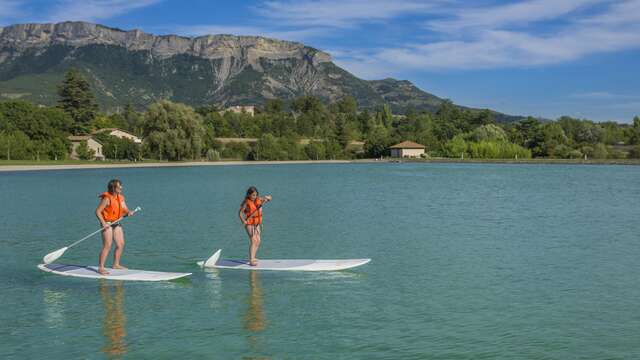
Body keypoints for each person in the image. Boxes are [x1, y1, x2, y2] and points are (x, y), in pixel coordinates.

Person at [95, 179, 135, 275]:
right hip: (107, 223)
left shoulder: (120, 197)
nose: (121, 187)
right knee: (107, 245)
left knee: (120, 244)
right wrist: (104, 223)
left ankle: (116, 264)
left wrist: (128, 212)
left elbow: (124, 208)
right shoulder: (107, 198)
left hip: (116, 223)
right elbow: (97, 211)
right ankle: (101, 267)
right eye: (119, 186)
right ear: (113, 188)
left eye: (121, 185)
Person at [238, 186, 272, 266]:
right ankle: (251, 260)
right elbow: (240, 213)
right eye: (253, 195)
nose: (254, 196)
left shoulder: (259, 199)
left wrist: (268, 198)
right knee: (253, 240)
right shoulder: (246, 202)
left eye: (256, 195)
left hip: (257, 223)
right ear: (249, 195)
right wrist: (243, 220)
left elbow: (270, 198)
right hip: (249, 223)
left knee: (258, 240)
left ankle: (253, 257)